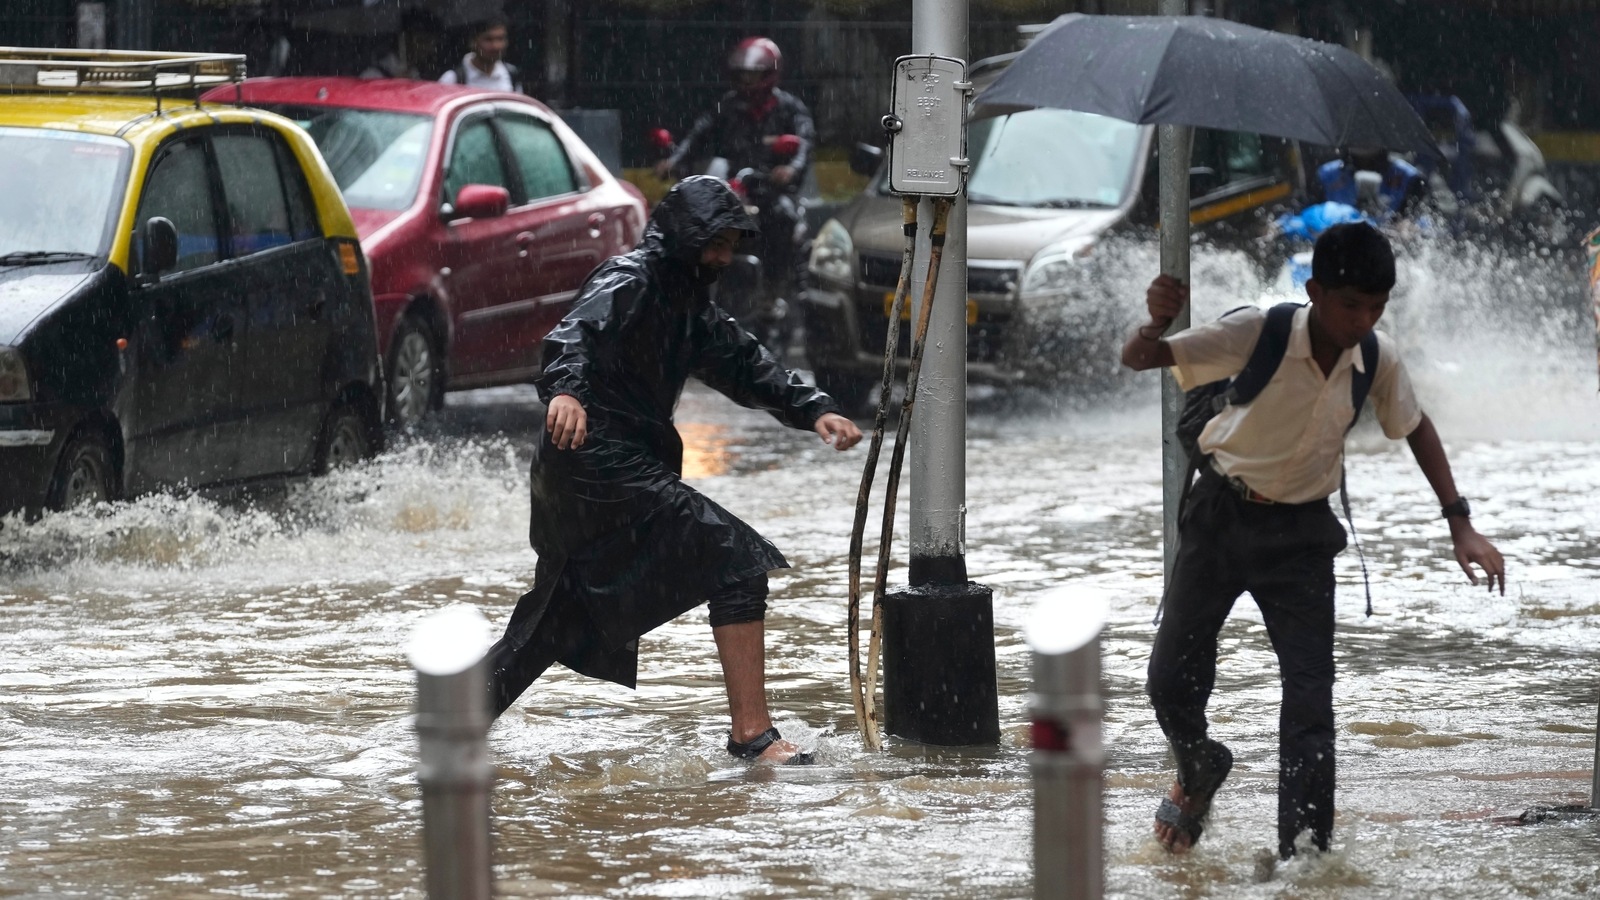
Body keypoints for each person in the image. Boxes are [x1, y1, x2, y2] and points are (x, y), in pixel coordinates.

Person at [1120, 222, 1506, 860]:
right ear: (1315, 292)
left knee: (1309, 701)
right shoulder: (1256, 331)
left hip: (1301, 537)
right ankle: (1200, 766)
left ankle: (1304, 853)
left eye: (1377, 308)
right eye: (1351, 305)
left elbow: (1415, 426)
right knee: (1169, 680)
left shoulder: (1377, 359)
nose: (1363, 320)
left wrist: (1459, 521)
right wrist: (1155, 323)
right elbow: (1141, 360)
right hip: (1219, 518)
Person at [486, 176, 863, 765]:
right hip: (595, 464)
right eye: (715, 243)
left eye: (731, 245)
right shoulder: (629, 280)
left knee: (558, 618)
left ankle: (447, 725)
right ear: (685, 237)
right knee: (735, 562)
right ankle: (752, 736)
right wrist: (565, 391)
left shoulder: (691, 308)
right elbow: (574, 335)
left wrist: (815, 408)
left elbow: (747, 365)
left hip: (607, 472)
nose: (724, 257)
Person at [652, 37, 816, 344]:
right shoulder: (727, 106)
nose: (746, 81)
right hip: (731, 191)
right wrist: (674, 160)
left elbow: (804, 146)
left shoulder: (790, 109)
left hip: (769, 191)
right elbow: (697, 135)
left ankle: (772, 291)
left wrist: (789, 169)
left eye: (752, 75)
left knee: (782, 217)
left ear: (770, 74)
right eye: (741, 75)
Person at [1315, 146, 1428, 223]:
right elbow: (1312, 215)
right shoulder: (1327, 175)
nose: (1363, 138)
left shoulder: (1408, 177)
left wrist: (1406, 224)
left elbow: (1419, 218)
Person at [438, 15, 522, 93]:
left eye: (500, 39)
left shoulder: (512, 74)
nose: (495, 46)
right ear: (473, 42)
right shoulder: (453, 79)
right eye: (488, 39)